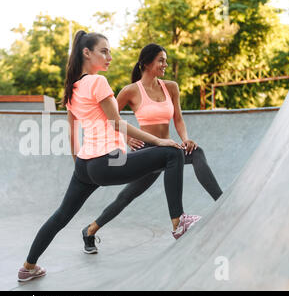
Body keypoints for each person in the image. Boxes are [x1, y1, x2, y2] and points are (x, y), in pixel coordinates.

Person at [17, 32, 200, 282]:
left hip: (85, 164)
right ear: (87, 53)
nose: (109, 57)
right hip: (107, 161)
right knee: (172, 153)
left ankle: (28, 267)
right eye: (104, 51)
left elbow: (72, 132)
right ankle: (178, 222)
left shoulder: (72, 88)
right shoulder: (98, 82)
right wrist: (157, 140)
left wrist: (80, 167)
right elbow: (116, 123)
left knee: (61, 215)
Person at [81, 43, 223, 254]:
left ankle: (222, 203)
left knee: (197, 152)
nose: (165, 64)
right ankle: (90, 230)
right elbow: (109, 119)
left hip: (169, 149)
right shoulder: (130, 91)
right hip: (146, 152)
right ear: (146, 63)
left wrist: (185, 139)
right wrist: (128, 137)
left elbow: (179, 119)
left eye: (165, 60)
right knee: (126, 197)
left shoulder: (171, 87)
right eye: (161, 60)